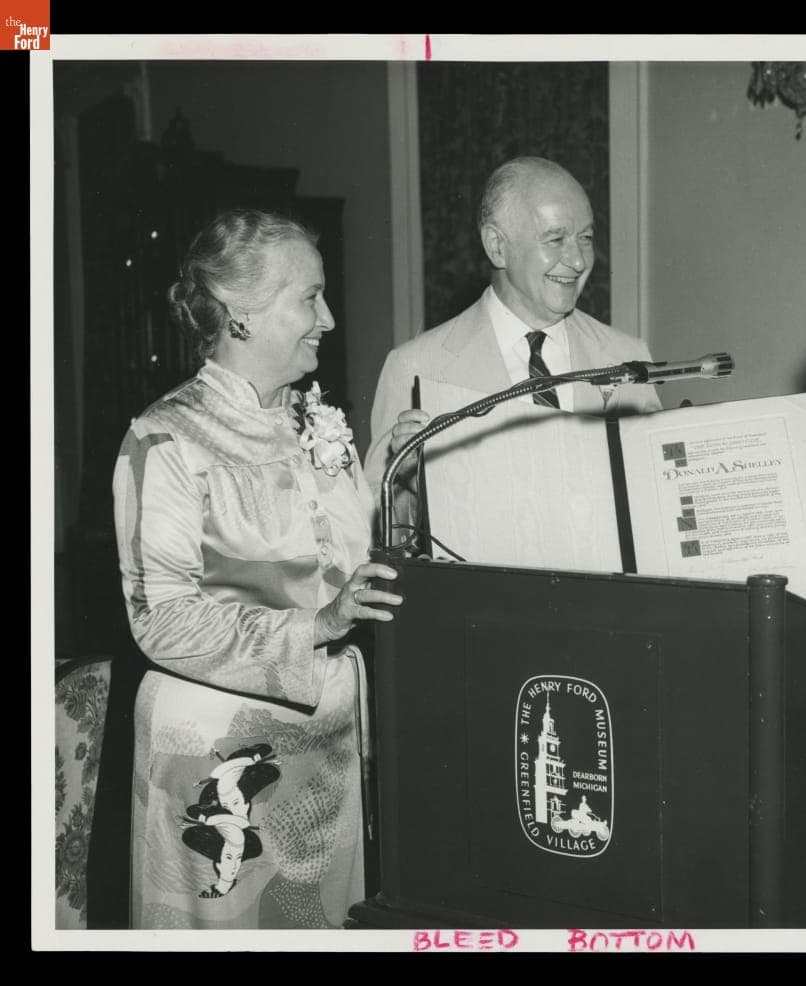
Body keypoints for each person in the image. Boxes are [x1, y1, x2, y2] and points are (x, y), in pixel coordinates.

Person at [112, 208, 404, 929]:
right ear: (240, 314)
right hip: (219, 754)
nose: (329, 319)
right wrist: (319, 624)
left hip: (329, 748)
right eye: (309, 297)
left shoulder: (313, 422)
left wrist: (389, 471)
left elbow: (325, 559)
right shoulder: (165, 439)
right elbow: (162, 618)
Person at [363, 156, 662, 521]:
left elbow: (656, 506)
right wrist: (407, 479)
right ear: (496, 246)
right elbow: (380, 533)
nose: (579, 260)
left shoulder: (627, 355)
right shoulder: (416, 367)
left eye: (585, 238)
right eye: (555, 239)